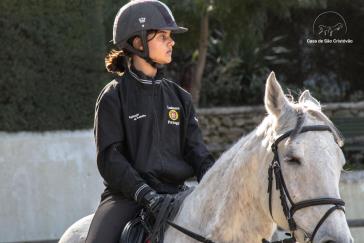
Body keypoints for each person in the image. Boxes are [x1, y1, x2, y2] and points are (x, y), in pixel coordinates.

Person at [85, 0, 215, 242]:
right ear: (138, 41)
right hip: (127, 197)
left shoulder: (180, 97)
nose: (171, 42)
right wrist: (144, 193)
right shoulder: (113, 97)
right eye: (163, 36)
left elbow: (197, 152)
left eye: (170, 36)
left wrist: (216, 180)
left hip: (177, 194)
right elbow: (110, 158)